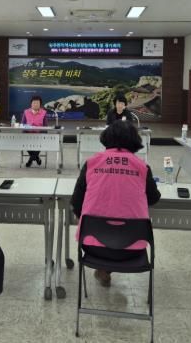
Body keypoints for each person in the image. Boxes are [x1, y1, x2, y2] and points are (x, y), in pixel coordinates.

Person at [71, 120, 160, 287]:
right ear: (134, 140)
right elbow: (154, 198)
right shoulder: (142, 167)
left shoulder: (91, 163)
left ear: (106, 138)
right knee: (118, 239)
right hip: (132, 249)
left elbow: (76, 202)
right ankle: (105, 269)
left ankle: (103, 268)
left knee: (103, 237)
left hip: (93, 245)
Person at [21, 95, 47, 167]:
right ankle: (36, 158)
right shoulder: (26, 112)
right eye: (34, 103)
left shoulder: (44, 112)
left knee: (40, 143)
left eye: (37, 103)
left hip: (39, 135)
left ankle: (30, 160)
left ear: (40, 104)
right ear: (31, 104)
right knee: (24, 142)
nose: (35, 104)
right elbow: (22, 124)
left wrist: (43, 134)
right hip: (28, 135)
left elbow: (45, 126)